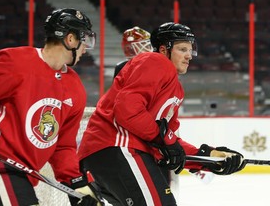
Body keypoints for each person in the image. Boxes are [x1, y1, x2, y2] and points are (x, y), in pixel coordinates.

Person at [77, 22, 246, 206]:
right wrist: (163, 140)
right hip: (118, 148)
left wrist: (208, 157)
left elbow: (169, 139)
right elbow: (127, 110)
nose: (189, 55)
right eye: (182, 49)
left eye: (191, 50)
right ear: (164, 50)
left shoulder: (176, 89)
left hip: (107, 155)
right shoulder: (155, 61)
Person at [0, 8, 100, 206]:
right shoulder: (19, 62)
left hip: (24, 174)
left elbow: (63, 145)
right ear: (70, 39)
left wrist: (75, 183)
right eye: (84, 40)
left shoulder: (75, 87)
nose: (85, 48)